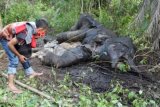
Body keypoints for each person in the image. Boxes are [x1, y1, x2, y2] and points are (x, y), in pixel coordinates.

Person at [0, 18, 48, 94]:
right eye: (44, 31)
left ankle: (30, 72)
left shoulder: (33, 28)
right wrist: (19, 55)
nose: (43, 33)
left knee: (23, 52)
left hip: (13, 36)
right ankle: (10, 85)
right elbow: (10, 44)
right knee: (14, 60)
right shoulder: (25, 32)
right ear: (40, 28)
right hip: (5, 37)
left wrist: (21, 54)